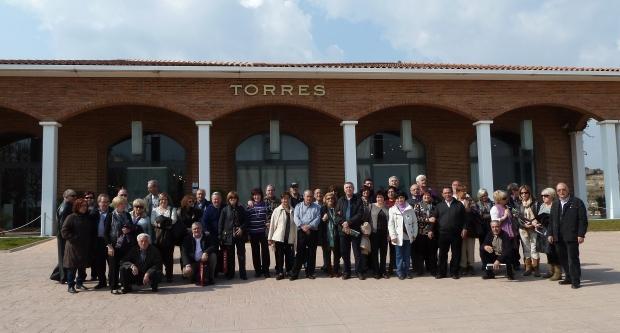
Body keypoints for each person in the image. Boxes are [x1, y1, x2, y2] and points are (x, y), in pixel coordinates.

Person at [548, 182, 588, 289]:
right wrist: (550, 233)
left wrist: (581, 234)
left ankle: (576, 281)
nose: (561, 192)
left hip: (572, 236)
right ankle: (568, 277)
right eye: (559, 190)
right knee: (563, 259)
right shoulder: (555, 203)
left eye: (563, 189)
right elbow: (551, 220)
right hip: (558, 237)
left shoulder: (577, 202)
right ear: (556, 192)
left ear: (568, 190)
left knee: (572, 259)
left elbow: (583, 220)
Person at [105, 196, 140, 294]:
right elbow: (106, 233)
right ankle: (113, 286)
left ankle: (126, 284)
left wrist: (129, 229)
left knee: (125, 265)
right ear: (116, 205)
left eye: (124, 203)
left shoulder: (127, 215)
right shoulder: (110, 215)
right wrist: (109, 246)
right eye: (121, 204)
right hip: (114, 245)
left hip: (127, 245)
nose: (123, 206)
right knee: (114, 267)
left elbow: (133, 227)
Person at [61, 198, 95, 293]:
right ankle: (71, 285)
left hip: (84, 247)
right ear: (77, 207)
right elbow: (64, 231)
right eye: (82, 206)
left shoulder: (87, 217)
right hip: (73, 247)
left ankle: (79, 283)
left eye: (85, 206)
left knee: (82, 268)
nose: (84, 208)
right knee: (72, 268)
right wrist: (75, 238)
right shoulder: (71, 217)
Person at [433, 187, 467, 279]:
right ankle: (441, 272)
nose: (447, 194)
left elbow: (465, 218)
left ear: (452, 193)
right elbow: (434, 218)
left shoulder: (459, 204)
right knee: (442, 254)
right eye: (445, 193)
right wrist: (431, 229)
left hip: (456, 233)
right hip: (442, 234)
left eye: (449, 192)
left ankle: (454, 272)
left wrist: (464, 229)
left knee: (456, 253)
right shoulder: (439, 206)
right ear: (442, 194)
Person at [336, 182, 365, 280]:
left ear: (353, 189)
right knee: (344, 252)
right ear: (344, 189)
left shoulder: (358, 200)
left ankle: (359, 272)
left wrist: (348, 222)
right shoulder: (340, 200)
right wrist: (343, 223)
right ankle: (346, 272)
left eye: (350, 187)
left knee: (357, 252)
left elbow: (360, 214)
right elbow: (337, 215)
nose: (348, 189)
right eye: (347, 187)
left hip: (354, 230)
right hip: (343, 230)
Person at [290, 190, 321, 280]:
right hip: (301, 232)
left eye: (311, 196)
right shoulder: (298, 206)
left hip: (313, 232)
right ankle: (295, 273)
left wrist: (309, 226)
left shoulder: (317, 207)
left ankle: (310, 273)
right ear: (303, 196)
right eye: (307, 196)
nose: (309, 198)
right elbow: (296, 217)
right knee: (300, 253)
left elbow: (318, 218)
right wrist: (303, 226)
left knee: (312, 253)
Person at [388, 192, 418, 280]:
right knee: (399, 255)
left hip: (408, 236)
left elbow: (414, 223)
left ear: (404, 199)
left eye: (401, 198)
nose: (399, 200)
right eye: (397, 198)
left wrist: (414, 234)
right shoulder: (392, 210)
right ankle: (400, 272)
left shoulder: (410, 208)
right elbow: (391, 224)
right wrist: (392, 235)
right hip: (398, 237)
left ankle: (407, 272)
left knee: (407, 255)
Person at [219, 191, 248, 280]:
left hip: (239, 234)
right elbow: (220, 224)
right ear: (228, 200)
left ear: (237, 199)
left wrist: (241, 229)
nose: (233, 200)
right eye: (231, 199)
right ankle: (231, 273)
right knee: (230, 256)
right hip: (228, 236)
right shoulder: (224, 210)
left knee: (241, 254)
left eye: (234, 198)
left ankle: (242, 273)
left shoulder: (241, 208)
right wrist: (220, 236)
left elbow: (246, 221)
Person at [268, 192, 296, 280]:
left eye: (287, 198)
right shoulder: (277, 210)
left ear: (289, 199)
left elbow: (295, 225)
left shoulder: (293, 210)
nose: (285, 200)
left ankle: (288, 271)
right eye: (283, 198)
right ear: (281, 200)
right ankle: (280, 272)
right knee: (279, 256)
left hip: (289, 237)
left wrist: (296, 239)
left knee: (289, 256)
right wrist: (270, 238)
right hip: (279, 238)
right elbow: (272, 225)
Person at [490, 190, 520, 272]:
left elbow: (514, 216)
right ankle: (503, 268)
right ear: (499, 199)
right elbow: (494, 222)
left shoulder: (507, 206)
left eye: (506, 197)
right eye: (504, 198)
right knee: (504, 250)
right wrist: (504, 216)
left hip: (511, 231)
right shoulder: (494, 208)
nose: (506, 199)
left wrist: (512, 214)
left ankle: (513, 266)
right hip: (503, 232)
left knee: (513, 249)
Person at [151, 192, 178, 282]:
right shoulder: (154, 210)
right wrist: (165, 222)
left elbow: (173, 221)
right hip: (157, 236)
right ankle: (159, 275)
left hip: (169, 236)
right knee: (158, 257)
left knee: (169, 257)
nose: (163, 201)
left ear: (168, 200)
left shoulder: (172, 210)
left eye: (165, 199)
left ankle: (169, 276)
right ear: (159, 201)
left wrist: (160, 221)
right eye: (161, 199)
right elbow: (152, 221)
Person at [515, 185, 541, 277]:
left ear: (529, 193)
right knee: (526, 249)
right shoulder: (518, 204)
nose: (524, 194)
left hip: (534, 228)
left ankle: (536, 268)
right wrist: (524, 225)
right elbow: (518, 218)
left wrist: (534, 223)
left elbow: (539, 216)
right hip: (523, 229)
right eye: (522, 193)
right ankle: (528, 268)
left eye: (526, 192)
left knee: (534, 248)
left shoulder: (536, 203)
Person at [537, 187, 561, 280]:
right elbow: (539, 218)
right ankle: (550, 270)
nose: (543, 197)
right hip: (544, 231)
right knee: (548, 251)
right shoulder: (542, 205)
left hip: (553, 231)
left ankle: (558, 272)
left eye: (546, 196)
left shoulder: (556, 205)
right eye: (542, 196)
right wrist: (537, 223)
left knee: (554, 251)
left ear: (552, 196)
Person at [246, 188, 271, 278]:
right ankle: (257, 270)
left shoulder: (265, 204)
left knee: (265, 252)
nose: (256, 196)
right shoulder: (249, 206)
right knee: (255, 252)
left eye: (258, 195)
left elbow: (269, 215)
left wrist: (269, 222)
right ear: (252, 196)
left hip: (263, 232)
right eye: (254, 195)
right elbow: (247, 219)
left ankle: (266, 270)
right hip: (253, 233)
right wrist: (248, 233)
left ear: (261, 195)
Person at [412, 191, 438, 276]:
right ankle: (420, 270)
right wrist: (427, 219)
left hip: (432, 232)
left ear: (430, 197)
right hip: (421, 233)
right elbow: (415, 217)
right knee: (420, 253)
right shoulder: (417, 205)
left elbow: (437, 217)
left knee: (432, 252)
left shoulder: (435, 205)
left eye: (428, 195)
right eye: (424, 195)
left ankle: (432, 269)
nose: (426, 197)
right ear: (422, 197)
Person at [54, 188, 76, 283]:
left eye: (75, 196)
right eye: (73, 196)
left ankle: (57, 275)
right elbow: (63, 224)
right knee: (64, 256)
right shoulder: (66, 207)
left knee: (63, 256)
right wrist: (67, 236)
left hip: (61, 235)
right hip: (64, 236)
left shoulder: (63, 205)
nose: (75, 197)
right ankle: (63, 277)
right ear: (66, 197)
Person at [90, 194, 112, 289]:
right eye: (103, 202)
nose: (105, 204)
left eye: (107, 202)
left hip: (110, 241)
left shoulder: (112, 212)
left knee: (111, 262)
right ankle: (102, 282)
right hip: (98, 241)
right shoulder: (93, 213)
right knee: (99, 263)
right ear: (99, 203)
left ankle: (112, 282)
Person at [319, 192, 341, 277]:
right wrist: (323, 220)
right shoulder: (322, 208)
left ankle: (336, 270)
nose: (330, 200)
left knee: (337, 254)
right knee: (327, 254)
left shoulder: (337, 208)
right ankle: (329, 271)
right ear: (325, 199)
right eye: (328, 198)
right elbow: (319, 223)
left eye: (332, 198)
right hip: (327, 235)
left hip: (336, 234)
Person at [368, 191, 389, 279]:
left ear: (384, 198)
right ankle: (376, 272)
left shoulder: (387, 208)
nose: (379, 199)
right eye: (377, 197)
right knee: (375, 253)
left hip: (385, 234)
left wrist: (389, 234)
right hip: (374, 233)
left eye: (380, 197)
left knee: (384, 253)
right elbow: (366, 218)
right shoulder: (371, 206)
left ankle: (383, 271)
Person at [456, 186, 477, 276]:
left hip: (470, 228)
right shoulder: (455, 201)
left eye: (465, 191)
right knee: (462, 248)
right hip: (458, 228)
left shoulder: (470, 200)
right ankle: (463, 266)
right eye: (461, 191)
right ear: (457, 192)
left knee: (470, 248)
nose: (464, 192)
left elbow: (475, 212)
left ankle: (471, 265)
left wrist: (468, 206)